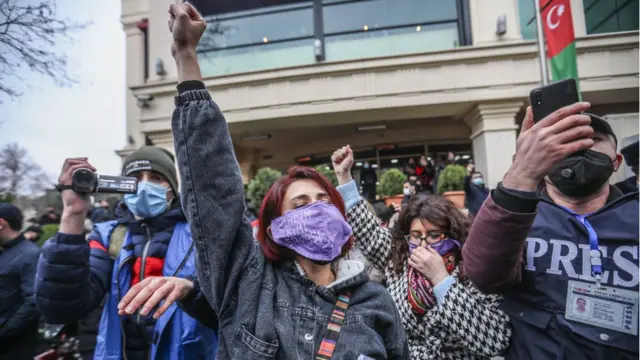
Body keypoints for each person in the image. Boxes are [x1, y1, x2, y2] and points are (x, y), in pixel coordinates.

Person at [117, 4, 409, 359]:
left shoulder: (375, 302)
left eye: (324, 200)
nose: (317, 209)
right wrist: (187, 58)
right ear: (276, 227)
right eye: (299, 204)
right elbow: (216, 194)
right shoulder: (251, 286)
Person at [462, 105, 639, 359]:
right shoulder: (518, 216)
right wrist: (520, 174)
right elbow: (484, 275)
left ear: (616, 162)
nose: (579, 146)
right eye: (567, 138)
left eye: (593, 138)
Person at [35, 146, 218, 360]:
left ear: (174, 188)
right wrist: (73, 214)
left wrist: (191, 290)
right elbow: (61, 308)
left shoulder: (201, 236)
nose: (144, 185)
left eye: (157, 177)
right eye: (135, 178)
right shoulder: (108, 236)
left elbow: (227, 303)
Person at [331, 145, 511, 359]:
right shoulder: (400, 258)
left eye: (434, 235)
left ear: (452, 234)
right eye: (416, 235)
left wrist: (442, 280)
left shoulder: (473, 267)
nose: (423, 245)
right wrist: (344, 177)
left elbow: (493, 342)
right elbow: (368, 231)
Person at [0, 203, 41, 359]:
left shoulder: (30, 255)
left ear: (1, 224)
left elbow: (33, 303)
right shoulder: (6, 251)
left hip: (13, 349)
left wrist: (3, 332)